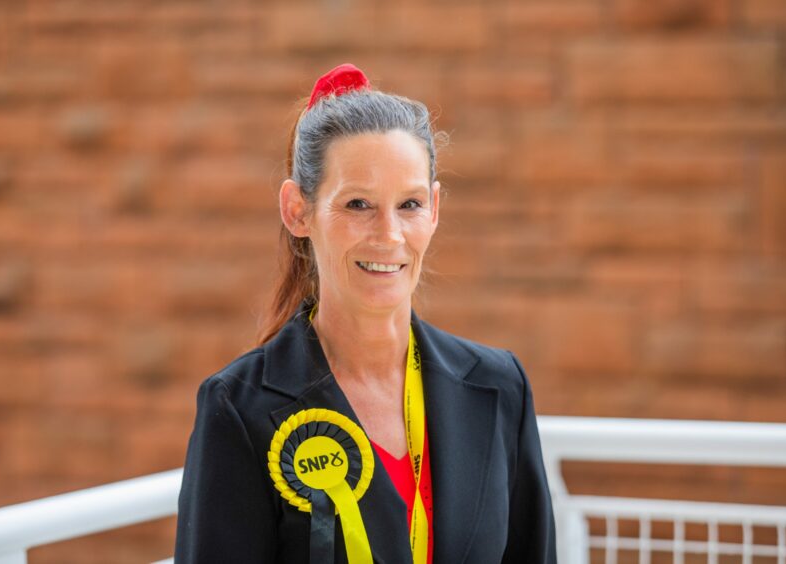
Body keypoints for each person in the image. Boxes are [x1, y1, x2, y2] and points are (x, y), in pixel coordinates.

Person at [175, 63, 557, 564]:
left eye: (410, 204)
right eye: (358, 204)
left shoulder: (499, 386)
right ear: (297, 211)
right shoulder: (238, 408)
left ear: (435, 209)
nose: (389, 235)